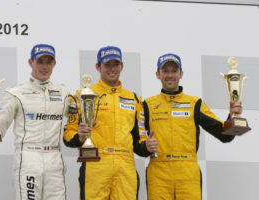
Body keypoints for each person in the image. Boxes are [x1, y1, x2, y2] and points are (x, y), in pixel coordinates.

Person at [63, 46, 158, 200]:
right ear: (98, 66)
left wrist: (146, 147)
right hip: (95, 164)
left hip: (125, 167)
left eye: (116, 64)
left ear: (122, 66)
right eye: (107, 64)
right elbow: (68, 136)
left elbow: (138, 141)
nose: (112, 69)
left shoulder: (135, 99)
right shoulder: (81, 96)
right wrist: (79, 138)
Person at [143, 53, 242, 200]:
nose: (170, 75)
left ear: (181, 74)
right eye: (165, 71)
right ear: (158, 74)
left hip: (188, 172)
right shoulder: (147, 105)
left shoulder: (195, 104)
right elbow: (136, 141)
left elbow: (224, 135)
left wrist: (232, 116)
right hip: (158, 173)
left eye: (174, 71)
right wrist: (145, 146)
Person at [0, 44, 69, 200]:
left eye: (48, 62)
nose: (44, 66)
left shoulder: (64, 93)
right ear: (31, 62)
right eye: (40, 61)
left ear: (54, 64)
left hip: (54, 159)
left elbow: (79, 121)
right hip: (29, 158)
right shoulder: (16, 92)